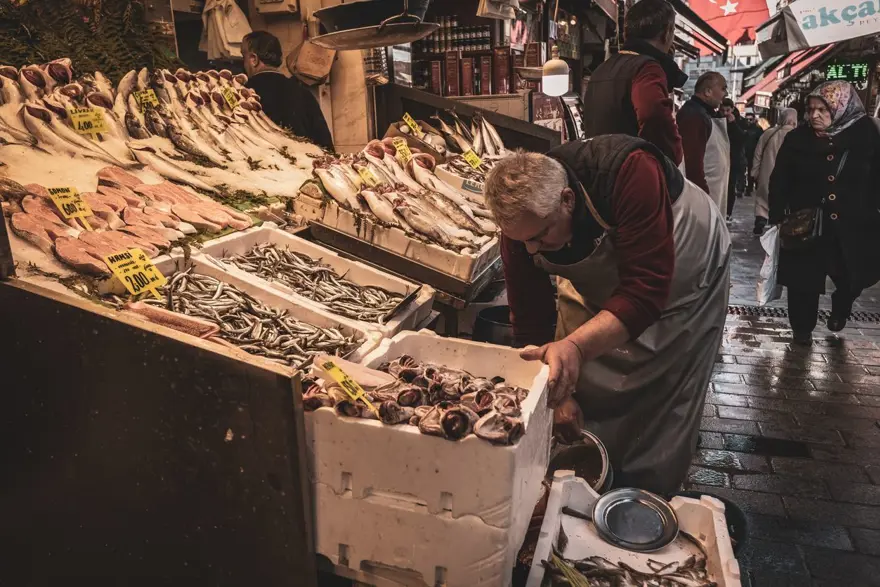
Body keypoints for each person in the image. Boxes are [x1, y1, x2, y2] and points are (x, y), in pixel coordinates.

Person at [486, 136, 731, 496]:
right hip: (608, 284)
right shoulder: (523, 227)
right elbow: (529, 320)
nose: (532, 248)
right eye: (524, 241)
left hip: (682, 269)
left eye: (540, 235)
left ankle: (645, 496)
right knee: (575, 376)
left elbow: (645, 293)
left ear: (567, 200)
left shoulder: (632, 170)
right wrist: (554, 393)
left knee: (663, 398)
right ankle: (590, 478)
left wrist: (577, 347)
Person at [768, 81, 880, 344]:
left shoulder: (866, 135)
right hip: (807, 222)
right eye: (810, 109)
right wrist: (777, 216)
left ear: (841, 108)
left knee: (853, 275)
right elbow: (780, 179)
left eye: (822, 109)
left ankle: (842, 305)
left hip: (853, 223)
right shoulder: (797, 139)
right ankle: (802, 330)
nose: (814, 115)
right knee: (802, 281)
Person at [582, 0, 687, 164]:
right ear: (667, 32)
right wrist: (670, 157)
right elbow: (653, 115)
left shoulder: (602, 69)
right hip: (631, 170)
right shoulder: (646, 68)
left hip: (598, 166)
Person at [241, 31, 334, 150]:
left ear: (253, 59)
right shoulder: (304, 93)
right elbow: (327, 147)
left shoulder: (244, 93)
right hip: (304, 160)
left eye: (243, 57)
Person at [678, 72, 730, 214]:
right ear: (708, 92)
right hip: (702, 198)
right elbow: (692, 162)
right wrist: (702, 196)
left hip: (710, 195)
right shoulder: (694, 116)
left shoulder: (704, 114)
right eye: (723, 88)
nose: (725, 94)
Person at [751, 108, 797, 234]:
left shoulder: (769, 133)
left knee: (762, 198)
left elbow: (758, 153)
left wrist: (755, 171)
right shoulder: (797, 135)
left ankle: (761, 218)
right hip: (787, 174)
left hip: (766, 171)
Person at [720, 98, 746, 221]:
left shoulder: (739, 121)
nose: (725, 113)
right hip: (719, 157)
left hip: (733, 159)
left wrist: (733, 124)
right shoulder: (716, 118)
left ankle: (728, 212)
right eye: (723, 110)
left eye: (728, 110)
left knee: (730, 186)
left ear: (732, 109)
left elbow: (742, 138)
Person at [742, 111, 765, 196]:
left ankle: (750, 187)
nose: (749, 121)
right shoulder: (742, 127)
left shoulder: (758, 129)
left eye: (750, 120)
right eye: (747, 119)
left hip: (753, 153)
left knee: (752, 170)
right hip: (744, 152)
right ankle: (745, 187)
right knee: (744, 171)